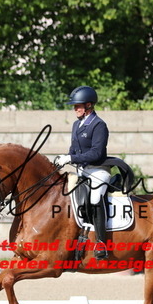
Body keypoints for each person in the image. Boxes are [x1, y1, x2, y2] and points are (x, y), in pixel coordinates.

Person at [55, 86, 110, 260]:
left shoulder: (99, 125)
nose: (75, 109)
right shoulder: (76, 125)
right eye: (74, 106)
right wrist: (65, 158)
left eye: (78, 106)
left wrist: (71, 157)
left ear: (88, 105)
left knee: (94, 198)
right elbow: (74, 149)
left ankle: (101, 243)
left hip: (98, 171)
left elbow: (96, 153)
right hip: (82, 171)